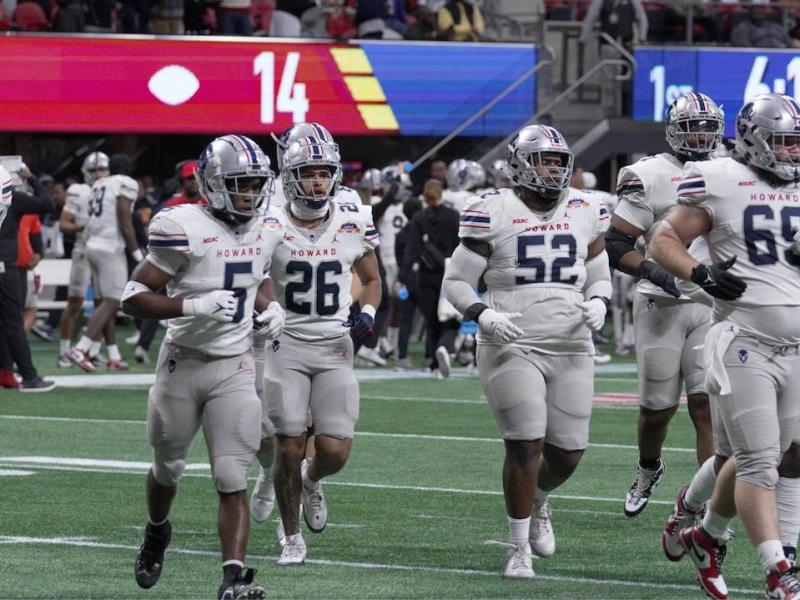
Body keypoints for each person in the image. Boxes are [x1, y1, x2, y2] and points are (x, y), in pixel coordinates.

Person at [443, 124, 611, 578]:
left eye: (558, 162)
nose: (552, 170)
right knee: (525, 442)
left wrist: (599, 299)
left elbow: (598, 269)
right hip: (511, 341)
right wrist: (482, 313)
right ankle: (518, 548)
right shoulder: (493, 209)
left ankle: (539, 498)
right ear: (520, 164)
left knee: (569, 453)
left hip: (572, 341)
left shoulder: (585, 207)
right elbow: (456, 282)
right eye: (543, 161)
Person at [649, 93, 800, 599]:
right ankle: (780, 569)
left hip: (796, 346)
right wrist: (701, 272)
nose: (792, 152)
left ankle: (704, 533)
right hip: (743, 340)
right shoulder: (718, 177)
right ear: (755, 140)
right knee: (759, 459)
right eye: (782, 142)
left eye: (796, 143)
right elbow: (662, 239)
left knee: (789, 455)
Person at [121, 134, 284, 600]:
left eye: (255, 185)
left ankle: (232, 579)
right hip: (183, 363)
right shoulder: (182, 225)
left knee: (231, 475)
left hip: (234, 365)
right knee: (168, 466)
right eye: (240, 185)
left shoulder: (267, 226)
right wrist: (191, 306)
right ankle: (156, 530)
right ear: (212, 185)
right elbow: (133, 299)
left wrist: (272, 309)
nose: (250, 195)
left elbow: (258, 276)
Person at [253, 123, 381, 566]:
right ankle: (290, 537)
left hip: (334, 345)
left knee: (335, 451)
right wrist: (269, 308)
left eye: (324, 172)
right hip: (284, 342)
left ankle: (311, 479)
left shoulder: (350, 217)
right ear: (289, 176)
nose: (318, 181)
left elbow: (372, 279)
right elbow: (253, 276)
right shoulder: (268, 219)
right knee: (287, 442)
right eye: (309, 172)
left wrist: (366, 313)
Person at [607, 92, 724, 518]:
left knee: (705, 407)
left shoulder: (730, 170)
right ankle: (648, 466)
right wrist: (652, 271)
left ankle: (706, 508)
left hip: (713, 306)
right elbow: (616, 243)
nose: (701, 135)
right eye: (692, 126)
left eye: (708, 126)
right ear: (674, 128)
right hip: (661, 302)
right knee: (657, 411)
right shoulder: (648, 174)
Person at [65, 153, 143, 371]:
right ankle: (81, 348)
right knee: (112, 300)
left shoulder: (99, 184)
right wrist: (137, 253)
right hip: (110, 247)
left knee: (104, 303)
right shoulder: (125, 183)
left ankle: (113, 355)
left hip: (92, 245)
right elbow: (124, 220)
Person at [0, 163, 56, 392]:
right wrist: (31, 178)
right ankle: (28, 375)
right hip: (5, 266)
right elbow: (47, 203)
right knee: (12, 322)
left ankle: (5, 372)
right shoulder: (15, 199)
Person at [398, 178, 460, 376]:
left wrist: (401, 277)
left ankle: (433, 362)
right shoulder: (453, 216)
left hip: (426, 277)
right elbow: (463, 247)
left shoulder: (419, 218)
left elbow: (412, 251)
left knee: (432, 320)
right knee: (451, 318)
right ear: (441, 192)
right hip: (451, 274)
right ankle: (444, 348)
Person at [57, 151, 110, 368]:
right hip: (83, 250)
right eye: (93, 170)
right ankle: (64, 351)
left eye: (101, 169)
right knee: (75, 302)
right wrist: (85, 226)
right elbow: (64, 224)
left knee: (102, 302)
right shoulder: (78, 191)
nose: (97, 174)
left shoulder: (113, 189)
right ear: (85, 172)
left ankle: (94, 351)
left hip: (106, 251)